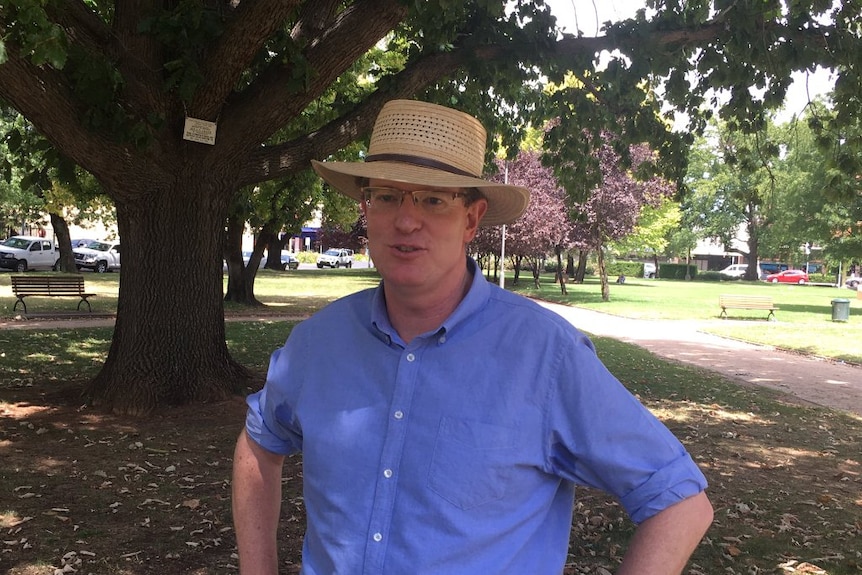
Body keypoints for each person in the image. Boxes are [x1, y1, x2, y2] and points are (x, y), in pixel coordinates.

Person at [232, 99, 713, 574]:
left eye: (433, 199)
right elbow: (259, 442)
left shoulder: (546, 356)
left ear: (472, 219)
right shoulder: (319, 344)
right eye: (386, 195)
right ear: (367, 208)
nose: (405, 219)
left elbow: (679, 503)